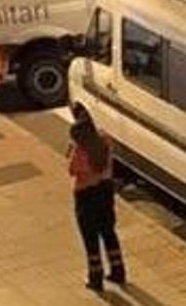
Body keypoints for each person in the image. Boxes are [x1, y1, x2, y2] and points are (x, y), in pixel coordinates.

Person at [69, 103, 125, 292]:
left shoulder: (80, 151)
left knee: (90, 237)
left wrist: (74, 149)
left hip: (86, 195)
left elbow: (72, 170)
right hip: (105, 190)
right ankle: (118, 270)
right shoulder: (105, 141)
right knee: (108, 231)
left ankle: (96, 277)